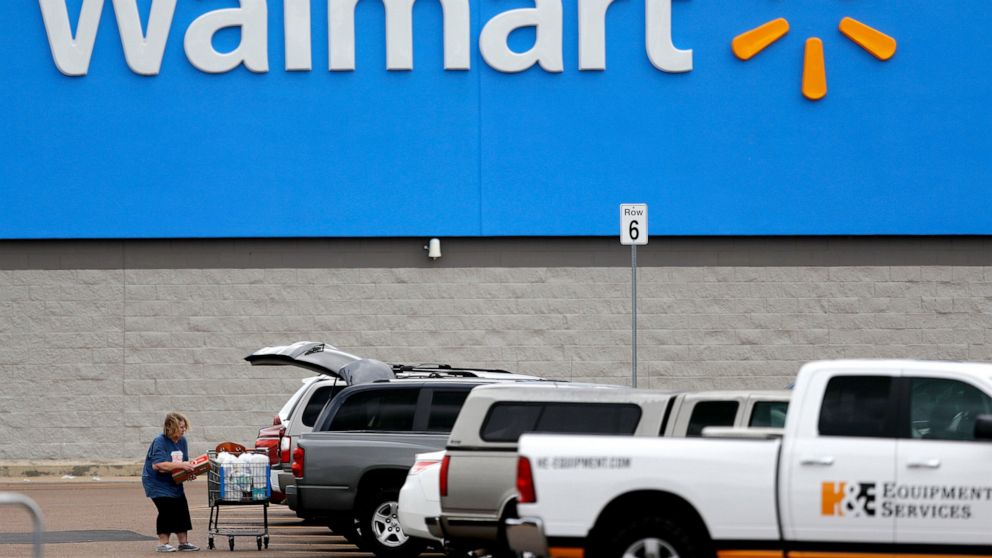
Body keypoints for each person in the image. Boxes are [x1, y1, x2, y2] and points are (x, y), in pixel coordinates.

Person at [142, 412, 200, 552]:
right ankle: (163, 543)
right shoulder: (160, 441)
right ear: (170, 427)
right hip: (157, 483)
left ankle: (183, 542)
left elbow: (183, 462)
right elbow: (158, 465)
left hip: (174, 481)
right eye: (181, 427)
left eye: (184, 427)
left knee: (181, 508)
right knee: (166, 510)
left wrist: (188, 473)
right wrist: (182, 466)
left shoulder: (182, 441)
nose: (184, 430)